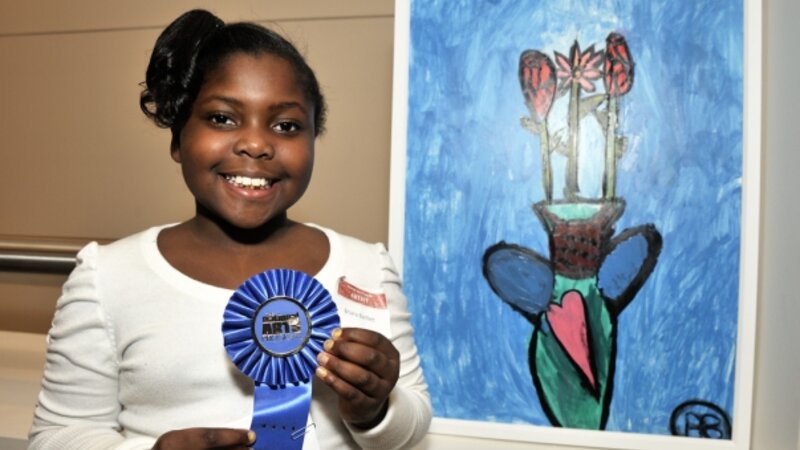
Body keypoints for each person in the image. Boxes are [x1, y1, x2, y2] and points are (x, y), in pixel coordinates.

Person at [28, 9, 431, 450]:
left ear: (315, 140)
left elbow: (412, 430)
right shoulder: (107, 277)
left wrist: (376, 411)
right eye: (222, 118)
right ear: (177, 139)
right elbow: (57, 435)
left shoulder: (366, 266)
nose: (256, 144)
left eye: (287, 125)